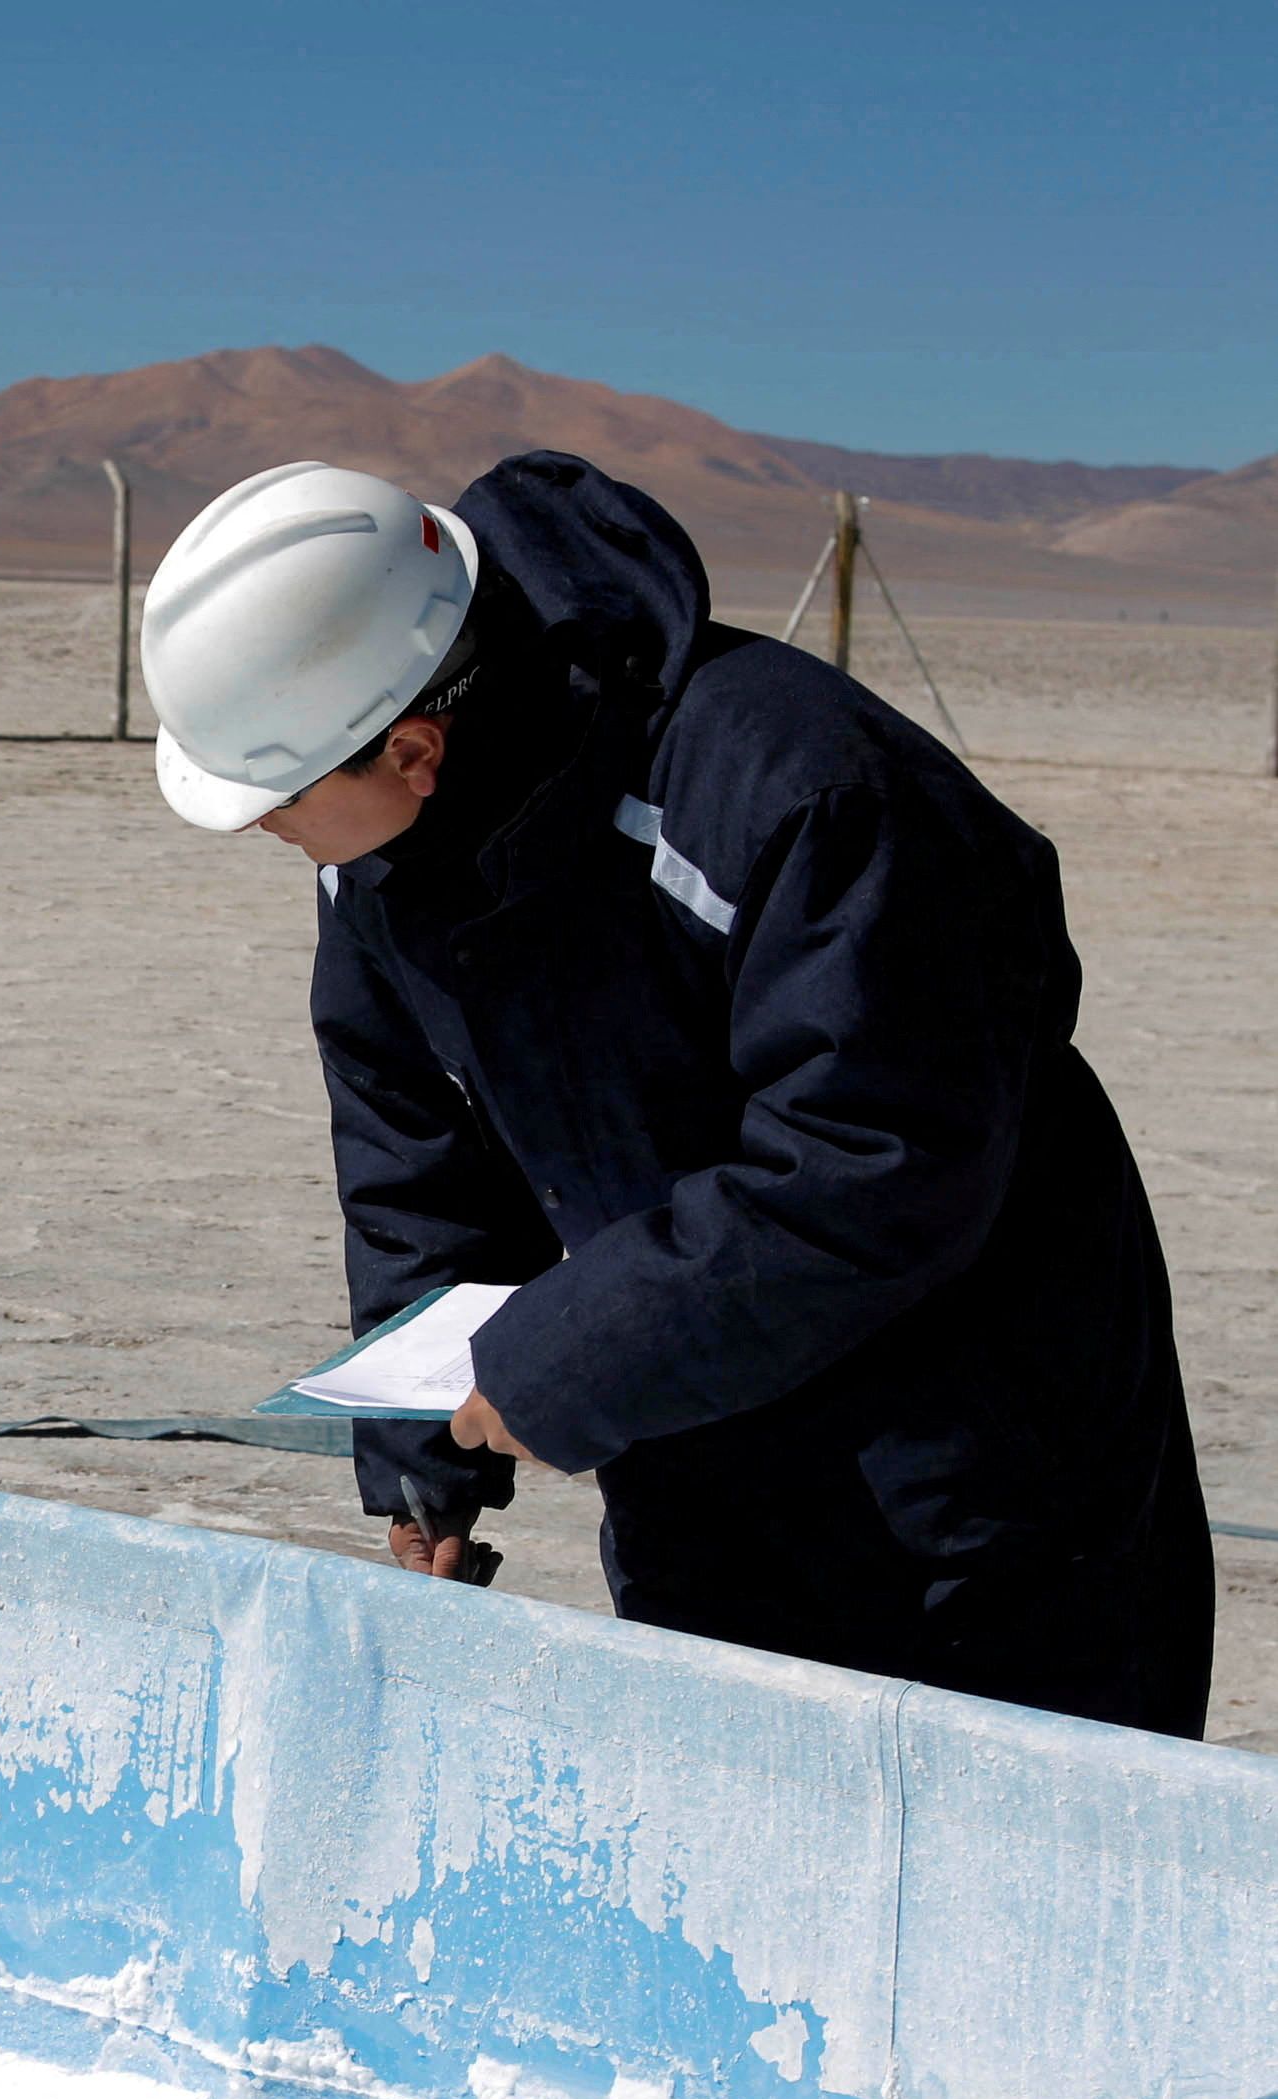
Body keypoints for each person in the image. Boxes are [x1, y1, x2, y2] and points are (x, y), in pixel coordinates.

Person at [139, 452, 1211, 1736]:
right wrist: (423, 1459)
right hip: (691, 1445)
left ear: (415, 746)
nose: (266, 833)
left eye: (275, 804)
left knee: (1019, 1882)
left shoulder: (806, 796)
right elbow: (411, 1152)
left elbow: (872, 1167)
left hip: (976, 1478)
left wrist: (564, 1358)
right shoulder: (376, 865)